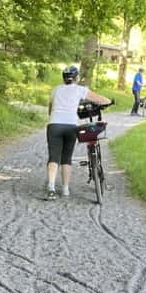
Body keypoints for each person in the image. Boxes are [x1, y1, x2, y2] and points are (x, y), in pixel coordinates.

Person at [45, 65, 111, 199]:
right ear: (77, 78)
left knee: (54, 157)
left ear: (63, 78)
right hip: (71, 126)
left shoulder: (56, 90)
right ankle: (65, 190)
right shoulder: (80, 89)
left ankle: (51, 187)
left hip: (54, 125)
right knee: (66, 158)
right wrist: (109, 101)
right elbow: (99, 99)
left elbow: (50, 109)